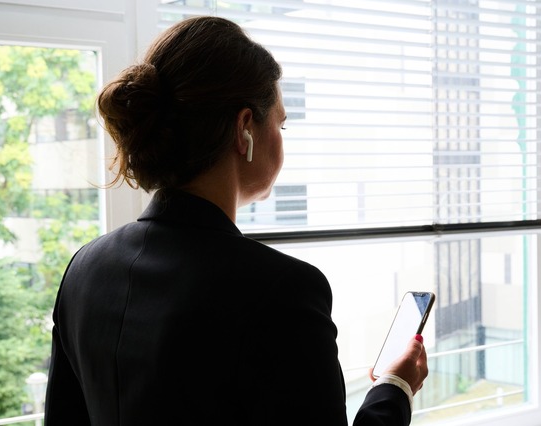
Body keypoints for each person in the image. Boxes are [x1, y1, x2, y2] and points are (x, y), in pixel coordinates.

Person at [44, 16, 428, 426]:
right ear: (244, 128)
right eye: (280, 124)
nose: (282, 138)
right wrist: (395, 386)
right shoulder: (283, 291)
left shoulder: (84, 267)